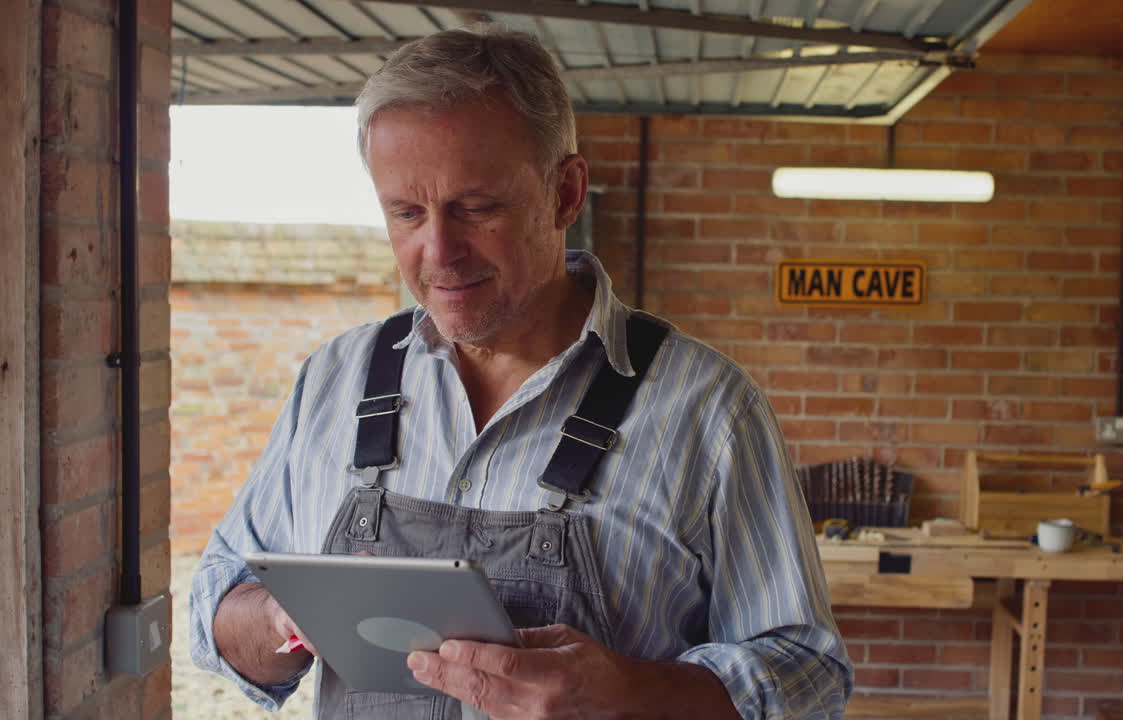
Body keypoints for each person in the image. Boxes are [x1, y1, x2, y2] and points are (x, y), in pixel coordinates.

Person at [189, 24, 853, 719]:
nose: (438, 249)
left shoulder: (709, 412)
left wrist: (628, 694)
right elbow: (215, 598)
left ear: (566, 193)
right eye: (405, 212)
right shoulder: (335, 380)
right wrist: (277, 621)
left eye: (476, 208)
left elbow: (809, 673)